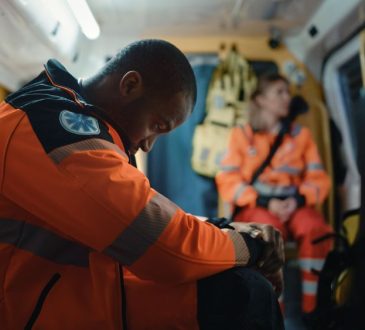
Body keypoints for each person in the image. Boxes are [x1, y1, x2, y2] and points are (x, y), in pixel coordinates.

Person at [0, 39, 284, 329]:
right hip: (32, 311)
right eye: (157, 126)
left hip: (82, 290)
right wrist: (252, 246)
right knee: (246, 293)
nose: (149, 145)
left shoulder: (86, 126)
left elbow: (147, 213)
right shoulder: (51, 125)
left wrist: (223, 228)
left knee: (240, 291)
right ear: (130, 85)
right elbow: (163, 244)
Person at [216, 72, 333, 314]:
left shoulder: (301, 135)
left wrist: (299, 199)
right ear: (260, 99)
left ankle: (314, 310)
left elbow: (319, 179)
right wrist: (263, 201)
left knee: (316, 230)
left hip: (295, 204)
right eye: (279, 92)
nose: (286, 98)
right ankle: (273, 311)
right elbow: (228, 179)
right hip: (258, 205)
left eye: (288, 92)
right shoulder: (243, 135)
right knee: (266, 230)